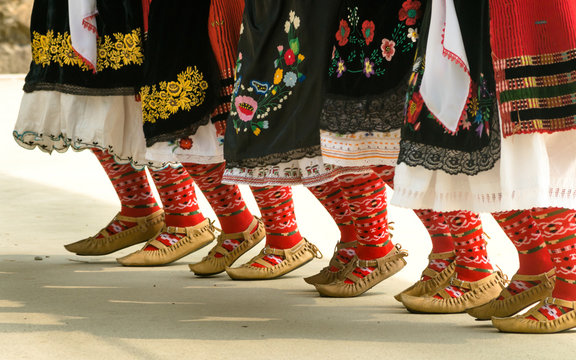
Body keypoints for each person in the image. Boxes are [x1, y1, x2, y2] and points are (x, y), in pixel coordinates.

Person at [392, 0, 576, 333]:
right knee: (480, 150)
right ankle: (536, 264)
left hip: (526, 17)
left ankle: (570, 284)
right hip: (477, 15)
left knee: (532, 144)